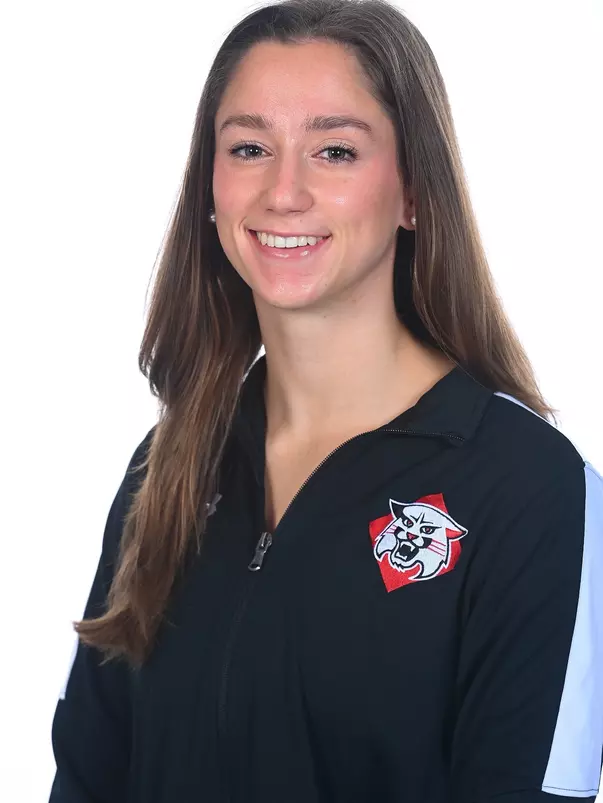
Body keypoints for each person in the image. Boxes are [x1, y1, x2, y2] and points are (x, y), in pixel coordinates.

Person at [49, 0, 603, 801]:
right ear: (211, 188)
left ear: (413, 191)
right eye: (248, 147)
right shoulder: (167, 467)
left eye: (334, 151)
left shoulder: (529, 488)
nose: (284, 191)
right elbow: (87, 775)